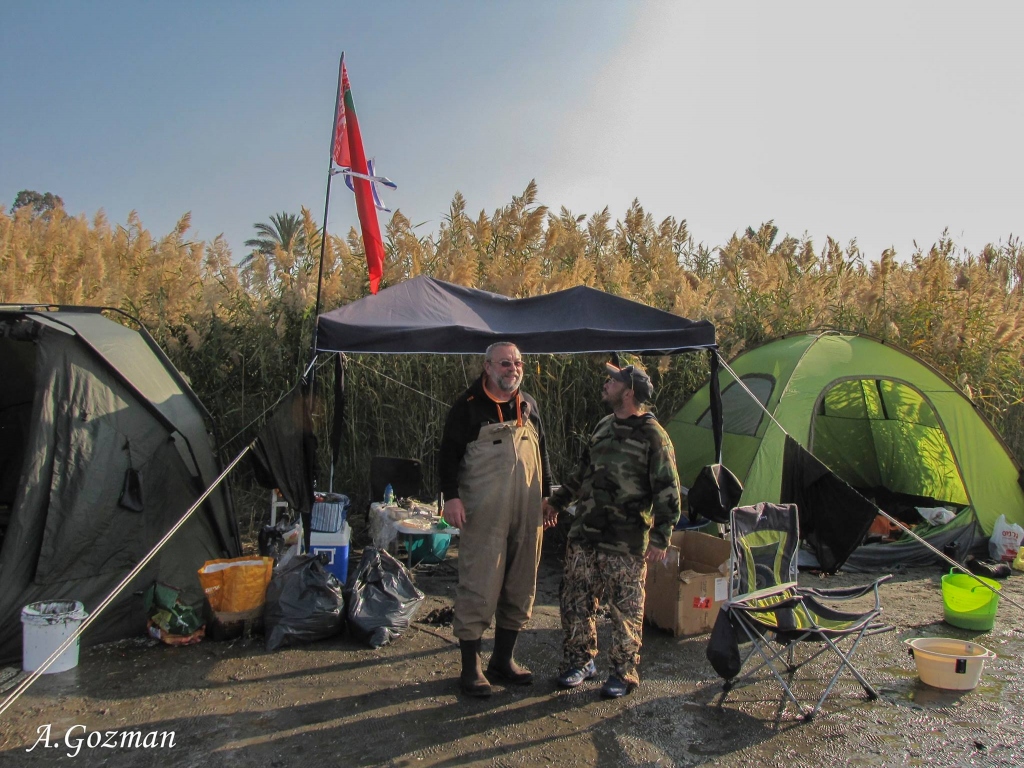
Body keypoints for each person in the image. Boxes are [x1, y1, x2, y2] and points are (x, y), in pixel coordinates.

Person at [543, 358, 682, 698]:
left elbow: (668, 490)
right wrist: (557, 503)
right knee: (575, 600)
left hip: (626, 541)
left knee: (626, 610)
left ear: (629, 391)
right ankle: (579, 661)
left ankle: (623, 672)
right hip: (585, 534)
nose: (606, 384)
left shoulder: (654, 436)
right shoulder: (604, 425)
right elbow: (582, 472)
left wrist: (661, 536)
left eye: (613, 381)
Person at [438, 341, 554, 698]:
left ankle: (502, 661)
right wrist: (451, 498)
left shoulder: (529, 405)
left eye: (517, 363)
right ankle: (470, 669)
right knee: (480, 582)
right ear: (487, 367)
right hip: (485, 511)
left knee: (521, 582)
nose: (513, 369)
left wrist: (549, 496)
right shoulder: (467, 408)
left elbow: (544, 452)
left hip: (529, 510)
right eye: (505, 364)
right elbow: (447, 457)